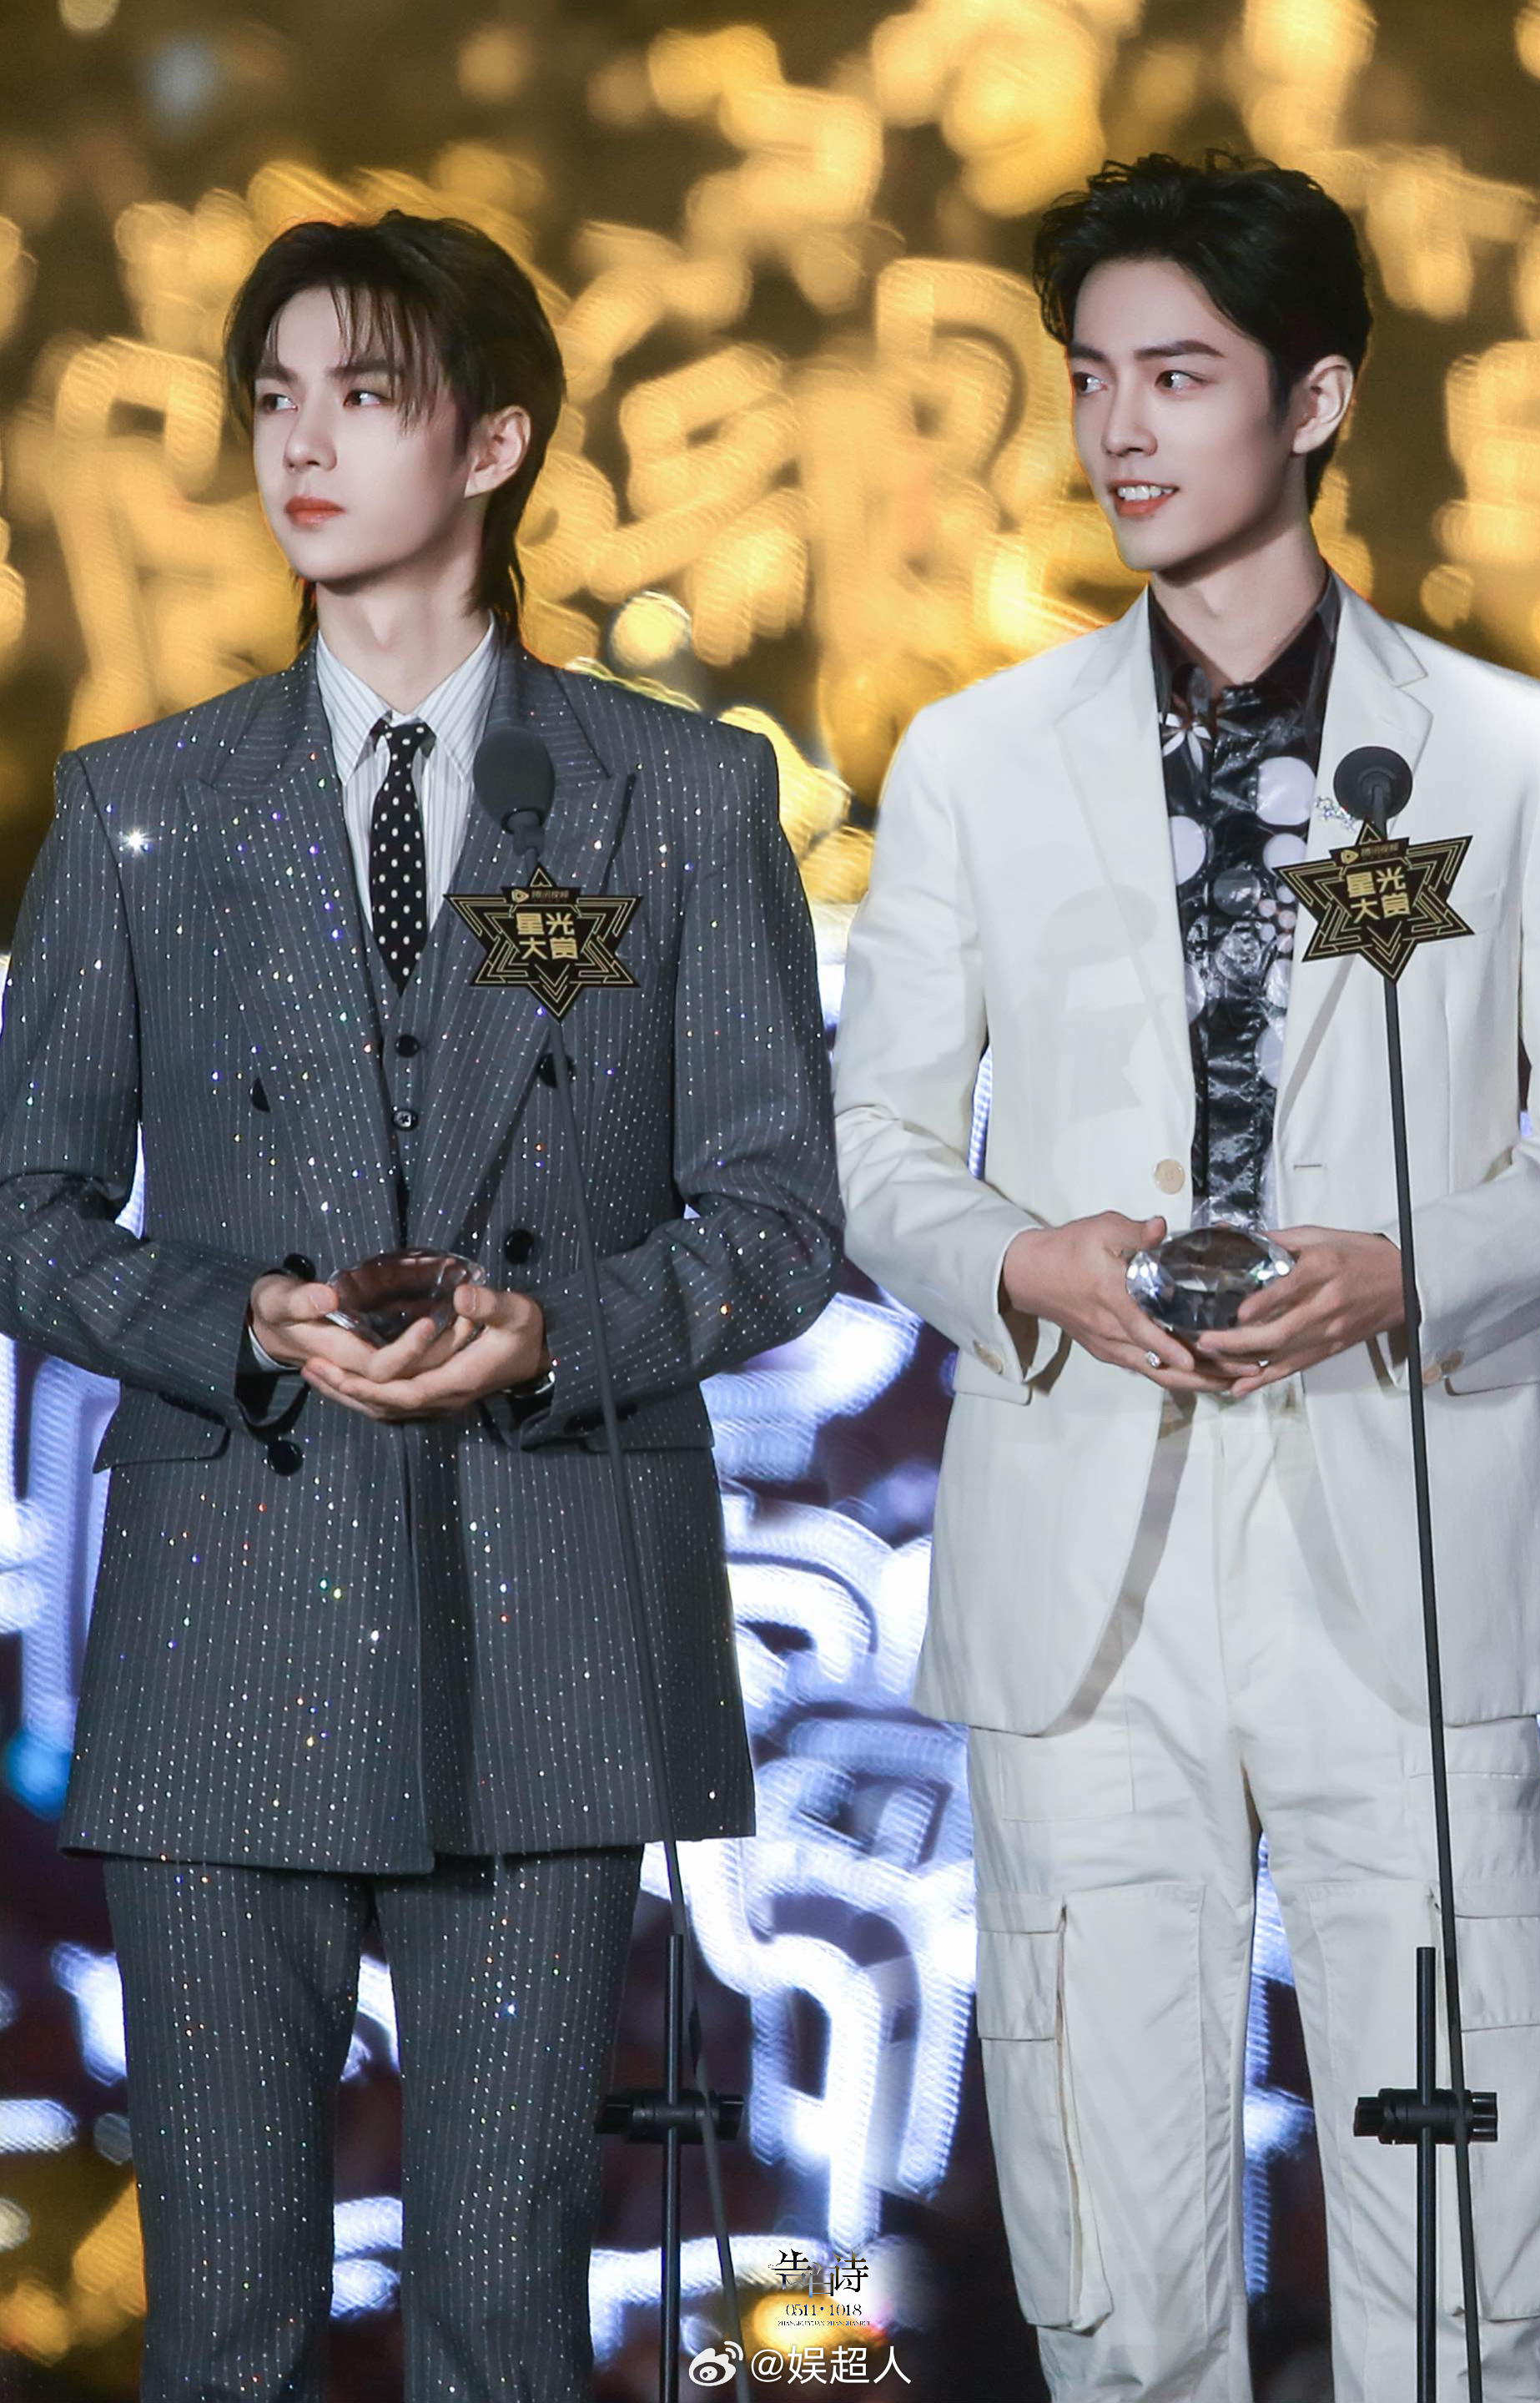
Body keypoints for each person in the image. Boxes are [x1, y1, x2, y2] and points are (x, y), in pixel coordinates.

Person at [0, 209, 841, 2400]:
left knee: (504, 2308)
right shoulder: (144, 807)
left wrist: (564, 1331)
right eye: (272, 398)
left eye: (361, 397)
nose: (298, 445)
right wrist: (236, 1315)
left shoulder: (679, 798)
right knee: (226, 2322)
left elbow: (778, 1216)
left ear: (493, 443)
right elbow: (21, 1206)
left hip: (548, 1615)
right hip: (226, 1619)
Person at [833, 151, 1540, 2399]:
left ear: (1317, 398)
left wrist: (1404, 1270)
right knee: (1111, 2236)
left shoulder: (1513, 751)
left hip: (1409, 1518)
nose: (1120, 430)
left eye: (1178, 375)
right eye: (1092, 378)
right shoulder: (975, 762)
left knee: (1467, 2228)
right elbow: (877, 1152)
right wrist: (1027, 1259)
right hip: (1089, 1543)